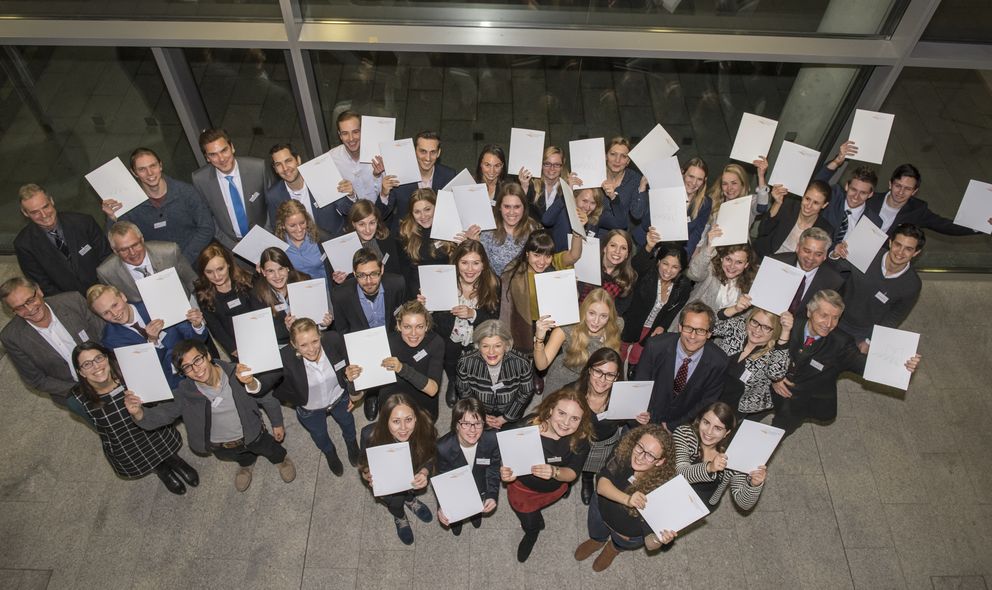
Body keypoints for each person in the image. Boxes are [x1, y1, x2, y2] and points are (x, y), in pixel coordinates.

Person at [124, 339, 295, 492]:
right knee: (240, 455)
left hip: (253, 432)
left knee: (269, 448)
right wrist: (139, 413)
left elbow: (266, 397)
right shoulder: (185, 393)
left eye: (197, 360)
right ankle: (246, 465)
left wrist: (277, 422)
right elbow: (162, 415)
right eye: (187, 367)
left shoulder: (237, 374)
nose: (196, 370)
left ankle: (281, 460)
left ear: (207, 355)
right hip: (222, 445)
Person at [771, 289, 921, 436]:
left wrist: (902, 366)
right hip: (768, 385)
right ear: (809, 312)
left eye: (835, 318)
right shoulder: (790, 325)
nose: (829, 324)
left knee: (775, 434)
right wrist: (775, 378)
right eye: (824, 315)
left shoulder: (841, 344)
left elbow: (867, 366)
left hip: (800, 402)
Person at [71, 342, 198, 495]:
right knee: (148, 460)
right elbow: (97, 426)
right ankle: (162, 470)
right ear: (81, 372)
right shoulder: (78, 400)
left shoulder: (129, 373)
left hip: (153, 429)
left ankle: (175, 460)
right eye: (87, 364)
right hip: (127, 442)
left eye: (99, 358)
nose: (96, 366)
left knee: (164, 447)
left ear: (107, 358)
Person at [500, 388, 593, 562]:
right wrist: (505, 471)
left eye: (574, 418)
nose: (566, 423)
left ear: (581, 420)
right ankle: (532, 533)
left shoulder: (581, 439)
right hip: (524, 491)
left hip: (555, 487)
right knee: (530, 522)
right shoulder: (528, 426)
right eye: (561, 413)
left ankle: (534, 525)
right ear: (551, 410)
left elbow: (572, 473)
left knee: (538, 512)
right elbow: (506, 451)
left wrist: (554, 471)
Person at [574, 424, 677, 571]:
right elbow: (602, 485)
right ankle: (597, 540)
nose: (640, 457)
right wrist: (628, 500)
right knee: (596, 529)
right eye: (640, 447)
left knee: (620, 542)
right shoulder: (624, 450)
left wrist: (658, 539)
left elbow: (650, 543)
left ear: (660, 461)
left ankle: (613, 549)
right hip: (602, 510)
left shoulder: (661, 489)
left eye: (650, 455)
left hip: (625, 533)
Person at [0, 277, 105, 423]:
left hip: (110, 373)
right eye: (19, 307)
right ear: (13, 311)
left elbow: (105, 335)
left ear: (39, 291)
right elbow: (36, 380)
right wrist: (83, 389)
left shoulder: (72, 301)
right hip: (74, 391)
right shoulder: (12, 337)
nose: (29, 309)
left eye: (30, 300)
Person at [100, 147, 215, 264]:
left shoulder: (186, 192)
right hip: (159, 267)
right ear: (134, 173)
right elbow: (117, 243)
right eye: (142, 169)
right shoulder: (130, 205)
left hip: (196, 261)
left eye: (153, 166)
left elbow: (207, 228)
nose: (150, 173)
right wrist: (112, 218)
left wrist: (184, 260)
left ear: (160, 166)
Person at [276, 318, 360, 476]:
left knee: (348, 423)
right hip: (310, 409)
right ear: (294, 345)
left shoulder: (333, 340)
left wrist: (352, 383)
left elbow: (352, 362)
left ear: (320, 335)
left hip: (339, 398)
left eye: (315, 341)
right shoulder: (285, 358)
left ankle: (351, 443)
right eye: (303, 345)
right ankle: (330, 452)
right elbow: (268, 384)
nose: (311, 349)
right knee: (319, 435)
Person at [330, 247, 406, 419]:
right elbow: (342, 330)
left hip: (390, 336)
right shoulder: (340, 294)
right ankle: (372, 394)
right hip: (361, 342)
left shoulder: (397, 283)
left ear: (382, 270)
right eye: (362, 275)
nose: (369, 281)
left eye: (374, 274)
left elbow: (402, 313)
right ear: (354, 274)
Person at [569, 348, 650, 505]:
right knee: (571, 464)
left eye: (610, 375)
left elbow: (633, 426)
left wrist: (640, 420)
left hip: (604, 442)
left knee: (592, 467)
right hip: (577, 440)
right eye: (598, 371)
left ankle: (586, 479)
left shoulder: (623, 396)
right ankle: (569, 479)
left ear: (617, 377)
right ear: (589, 370)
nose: (603, 379)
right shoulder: (573, 391)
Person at [89, 283, 208, 388]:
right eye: (106, 313)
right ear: (100, 317)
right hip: (170, 388)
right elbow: (144, 373)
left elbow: (197, 340)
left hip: (199, 370)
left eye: (114, 305)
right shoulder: (111, 340)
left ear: (123, 296)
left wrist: (197, 326)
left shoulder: (155, 304)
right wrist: (152, 342)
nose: (114, 314)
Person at [358, 393, 437, 545]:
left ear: (416, 417)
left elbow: (431, 454)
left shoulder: (426, 427)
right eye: (396, 421)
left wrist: (424, 472)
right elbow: (364, 462)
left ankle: (410, 500)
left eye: (408, 420)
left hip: (414, 474)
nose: (403, 428)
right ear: (385, 421)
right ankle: (399, 516)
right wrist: (367, 475)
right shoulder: (370, 435)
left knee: (409, 492)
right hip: (387, 482)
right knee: (394, 502)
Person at [635, 301, 728, 430]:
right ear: (679, 327)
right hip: (646, 419)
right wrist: (648, 419)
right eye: (688, 328)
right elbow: (640, 386)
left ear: (709, 333)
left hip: (683, 428)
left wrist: (673, 426)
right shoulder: (655, 346)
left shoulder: (719, 362)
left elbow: (706, 403)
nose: (692, 336)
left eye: (700, 330)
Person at [832, 223, 924, 351]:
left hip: (863, 333)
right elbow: (834, 270)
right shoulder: (868, 252)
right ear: (891, 243)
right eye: (898, 245)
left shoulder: (912, 284)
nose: (900, 252)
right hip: (834, 317)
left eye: (908, 249)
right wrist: (836, 254)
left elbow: (894, 317)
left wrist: (870, 340)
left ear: (916, 253)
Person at [431, 239, 501, 408]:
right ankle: (454, 382)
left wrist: (473, 314)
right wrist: (428, 305)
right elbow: (436, 320)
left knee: (475, 363)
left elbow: (494, 318)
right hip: (450, 335)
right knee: (450, 359)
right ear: (456, 263)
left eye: (475, 263)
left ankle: (471, 383)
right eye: (464, 263)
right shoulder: (444, 282)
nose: (470, 269)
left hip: (477, 336)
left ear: (483, 264)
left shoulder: (493, 283)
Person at [14, 183, 112, 297]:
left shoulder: (83, 222)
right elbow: (42, 284)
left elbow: (107, 257)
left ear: (52, 201)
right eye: (35, 212)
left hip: (105, 290)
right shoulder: (24, 244)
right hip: (69, 304)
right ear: (25, 213)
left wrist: (104, 292)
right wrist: (73, 303)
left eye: (45, 207)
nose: (44, 215)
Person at [499, 229, 583, 355]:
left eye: (547, 256)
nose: (542, 262)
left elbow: (574, 255)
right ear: (527, 253)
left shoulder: (555, 264)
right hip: (527, 326)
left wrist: (577, 234)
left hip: (555, 328)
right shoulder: (514, 273)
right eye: (536, 255)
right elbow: (505, 309)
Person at [191, 128, 274, 251]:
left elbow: (272, 204)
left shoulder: (257, 168)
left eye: (224, 150)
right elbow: (207, 218)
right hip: (230, 247)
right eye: (213, 154)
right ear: (207, 158)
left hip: (265, 239)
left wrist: (265, 236)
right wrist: (232, 245)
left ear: (232, 147)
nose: (221, 158)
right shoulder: (200, 180)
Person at [673, 402, 766, 509]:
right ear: (700, 420)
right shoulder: (684, 434)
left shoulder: (732, 453)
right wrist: (709, 467)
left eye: (718, 428)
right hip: (672, 489)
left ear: (727, 433)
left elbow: (744, 504)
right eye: (706, 422)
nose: (709, 431)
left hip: (702, 502)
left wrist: (753, 485)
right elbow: (680, 474)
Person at [713, 297, 792, 418]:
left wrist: (785, 332)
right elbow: (710, 325)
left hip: (731, 411)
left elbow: (776, 374)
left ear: (774, 331)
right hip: (706, 392)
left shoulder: (774, 354)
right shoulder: (738, 329)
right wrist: (735, 308)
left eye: (766, 327)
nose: (757, 330)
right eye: (755, 322)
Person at [621, 243, 692, 378]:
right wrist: (648, 246)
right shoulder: (646, 272)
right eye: (665, 263)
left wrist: (663, 326)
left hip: (652, 330)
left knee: (637, 363)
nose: (668, 270)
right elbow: (635, 265)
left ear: (681, 269)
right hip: (629, 323)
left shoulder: (683, 286)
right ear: (658, 261)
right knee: (619, 356)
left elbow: (676, 308)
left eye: (675, 267)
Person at [534, 288, 623, 394]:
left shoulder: (617, 326)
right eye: (592, 313)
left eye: (603, 316)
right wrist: (539, 340)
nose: (596, 321)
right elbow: (541, 365)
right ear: (584, 310)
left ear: (610, 317)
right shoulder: (567, 329)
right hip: (563, 380)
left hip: (595, 382)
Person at [435, 397, 501, 535]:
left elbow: (493, 468)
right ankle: (457, 523)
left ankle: (475, 515)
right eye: (466, 423)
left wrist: (491, 494)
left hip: (480, 487)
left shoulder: (492, 439)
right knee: (455, 522)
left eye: (478, 423)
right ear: (457, 425)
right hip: (456, 491)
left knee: (477, 514)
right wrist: (443, 507)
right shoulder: (443, 447)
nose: (472, 430)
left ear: (484, 423)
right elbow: (442, 479)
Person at [863, 163, 985, 236]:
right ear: (890, 184)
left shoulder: (918, 210)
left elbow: (946, 226)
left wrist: (982, 225)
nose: (900, 192)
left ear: (914, 191)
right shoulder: (869, 199)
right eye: (898, 186)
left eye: (907, 189)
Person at [455, 319, 534, 430]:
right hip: (479, 410)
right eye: (485, 346)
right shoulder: (465, 363)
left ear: (506, 345)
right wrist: (480, 414)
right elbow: (464, 392)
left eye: (497, 346)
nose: (491, 352)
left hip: (511, 412)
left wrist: (505, 418)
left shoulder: (521, 363)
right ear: (478, 345)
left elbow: (526, 392)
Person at [397, 188, 478, 295]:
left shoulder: (453, 228)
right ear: (411, 213)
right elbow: (404, 272)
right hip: (418, 292)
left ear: (437, 207)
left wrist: (465, 246)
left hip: (449, 288)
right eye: (417, 212)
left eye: (427, 209)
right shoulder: (405, 232)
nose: (423, 216)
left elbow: (463, 267)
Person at [375, 301, 445, 421]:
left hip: (423, 401)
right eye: (407, 327)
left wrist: (401, 368)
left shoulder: (436, 342)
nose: (413, 333)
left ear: (427, 325)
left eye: (419, 326)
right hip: (394, 397)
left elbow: (433, 390)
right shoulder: (386, 342)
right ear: (399, 325)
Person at [96, 221, 198, 303]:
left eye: (135, 245)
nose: (132, 253)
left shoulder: (169, 251)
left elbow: (193, 282)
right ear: (115, 251)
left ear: (142, 240)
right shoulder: (106, 273)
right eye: (124, 250)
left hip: (185, 304)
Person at [266, 143, 354, 236]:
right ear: (275, 169)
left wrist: (351, 195)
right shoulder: (273, 195)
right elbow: (278, 229)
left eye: (288, 161)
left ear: (298, 160)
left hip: (335, 238)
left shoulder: (322, 178)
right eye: (278, 165)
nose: (285, 168)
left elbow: (349, 211)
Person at [378, 131, 457, 232]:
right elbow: (382, 215)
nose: (428, 158)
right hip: (405, 237)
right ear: (414, 151)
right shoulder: (399, 176)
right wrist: (384, 194)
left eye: (432, 152)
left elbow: (453, 212)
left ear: (439, 153)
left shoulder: (449, 175)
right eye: (423, 151)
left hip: (437, 235)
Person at [250, 247, 330, 348]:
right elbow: (265, 333)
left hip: (312, 340)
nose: (277, 276)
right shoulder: (257, 295)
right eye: (270, 271)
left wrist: (323, 323)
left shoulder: (304, 281)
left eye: (281, 269)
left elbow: (317, 316)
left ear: (287, 268)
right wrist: (288, 328)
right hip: (284, 345)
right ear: (263, 272)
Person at [632, 157, 710, 256]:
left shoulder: (705, 203)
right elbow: (645, 223)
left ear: (704, 180)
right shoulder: (665, 190)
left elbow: (696, 234)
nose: (694, 183)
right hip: (646, 245)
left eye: (699, 179)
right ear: (682, 173)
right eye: (691, 176)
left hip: (674, 254)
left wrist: (684, 257)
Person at [194, 243, 255, 359]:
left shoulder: (246, 280)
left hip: (259, 334)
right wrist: (232, 347)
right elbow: (214, 325)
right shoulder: (203, 292)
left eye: (220, 269)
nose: (216, 276)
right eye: (209, 272)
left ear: (228, 264)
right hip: (235, 347)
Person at [769, 227, 844, 318]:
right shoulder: (776, 263)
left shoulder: (833, 281)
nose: (811, 258)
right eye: (807, 251)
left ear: (825, 256)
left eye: (818, 254)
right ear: (797, 248)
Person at [813, 141, 878, 244]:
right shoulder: (834, 195)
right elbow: (816, 185)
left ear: (870, 194)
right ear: (847, 186)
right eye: (853, 190)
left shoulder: (874, 221)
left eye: (863, 193)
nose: (856, 197)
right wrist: (837, 161)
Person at [753, 180, 834, 260]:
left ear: (824, 205)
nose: (809, 206)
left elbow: (816, 259)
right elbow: (763, 230)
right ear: (803, 196)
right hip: (764, 257)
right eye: (807, 199)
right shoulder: (788, 206)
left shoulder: (825, 230)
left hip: (792, 267)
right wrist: (777, 203)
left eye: (816, 203)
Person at [682, 238, 757, 322]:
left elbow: (746, 318)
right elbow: (694, 274)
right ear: (722, 258)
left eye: (739, 262)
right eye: (728, 259)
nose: (732, 266)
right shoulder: (710, 271)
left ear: (746, 264)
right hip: (690, 325)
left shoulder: (750, 285)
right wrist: (709, 247)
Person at [520, 145, 576, 251]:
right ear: (541, 165)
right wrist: (524, 188)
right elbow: (520, 212)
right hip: (531, 243)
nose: (552, 169)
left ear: (562, 166)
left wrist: (568, 192)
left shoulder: (568, 187)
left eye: (557, 165)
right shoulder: (530, 184)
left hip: (558, 247)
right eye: (547, 164)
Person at [479, 182, 542, 276]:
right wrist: (476, 243)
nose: (511, 212)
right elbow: (484, 268)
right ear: (499, 207)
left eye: (517, 207)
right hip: (495, 287)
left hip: (526, 287)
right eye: (507, 206)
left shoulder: (534, 229)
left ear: (524, 208)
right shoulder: (488, 231)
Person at [328, 110, 385, 203]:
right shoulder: (331, 159)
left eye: (355, 132)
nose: (351, 138)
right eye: (345, 133)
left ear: (363, 131)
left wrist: (377, 176)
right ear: (340, 135)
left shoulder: (379, 152)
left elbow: (388, 195)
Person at [577, 229, 637, 315]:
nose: (617, 251)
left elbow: (617, 313)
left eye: (623, 248)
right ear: (605, 248)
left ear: (627, 254)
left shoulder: (627, 279)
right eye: (613, 245)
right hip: (577, 316)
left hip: (601, 324)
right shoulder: (588, 266)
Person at [338, 199, 402, 278]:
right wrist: (341, 280)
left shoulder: (387, 239)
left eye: (372, 223)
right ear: (353, 224)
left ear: (377, 221)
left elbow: (398, 274)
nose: (368, 230)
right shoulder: (344, 248)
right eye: (361, 224)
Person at [273, 199, 332, 282]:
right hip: (296, 291)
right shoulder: (277, 246)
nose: (299, 229)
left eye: (302, 223)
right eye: (292, 225)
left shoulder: (322, 238)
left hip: (325, 289)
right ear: (282, 225)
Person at [596, 137, 645, 235]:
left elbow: (637, 214)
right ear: (605, 156)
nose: (617, 160)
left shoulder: (635, 179)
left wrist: (642, 187)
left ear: (628, 161)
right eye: (613, 154)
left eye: (623, 156)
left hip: (622, 236)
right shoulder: (594, 175)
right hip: (594, 231)